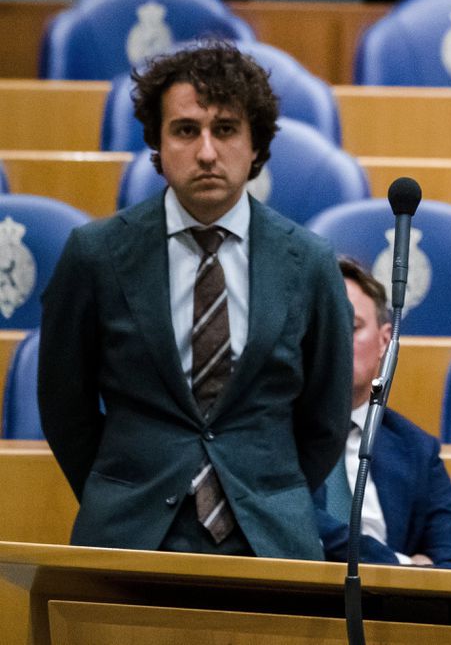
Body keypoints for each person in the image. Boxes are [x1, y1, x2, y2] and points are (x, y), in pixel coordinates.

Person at [37, 42, 352, 559]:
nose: (206, 152)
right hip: (128, 532)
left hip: (270, 536)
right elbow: (63, 407)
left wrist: (265, 490)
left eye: (225, 129)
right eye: (186, 130)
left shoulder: (310, 261)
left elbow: (326, 419)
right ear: (157, 146)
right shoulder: (96, 255)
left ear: (256, 146)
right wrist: (124, 490)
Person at [313, 257, 451, 570]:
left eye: (352, 327)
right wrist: (401, 566)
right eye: (322, 325)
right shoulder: (270, 429)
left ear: (383, 341)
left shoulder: (415, 449)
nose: (336, 339)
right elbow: (304, 527)